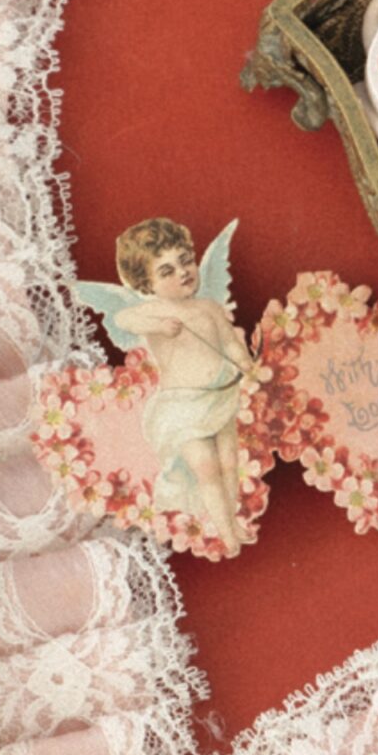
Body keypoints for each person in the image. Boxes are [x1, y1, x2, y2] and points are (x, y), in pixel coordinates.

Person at [109, 217, 252, 551]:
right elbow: (122, 318)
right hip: (183, 408)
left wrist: (245, 362)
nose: (183, 272)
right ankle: (226, 534)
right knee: (206, 467)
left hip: (220, 395)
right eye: (167, 271)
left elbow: (230, 342)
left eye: (186, 261)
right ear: (146, 284)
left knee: (229, 462)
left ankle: (232, 520)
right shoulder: (154, 312)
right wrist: (159, 326)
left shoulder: (209, 307)